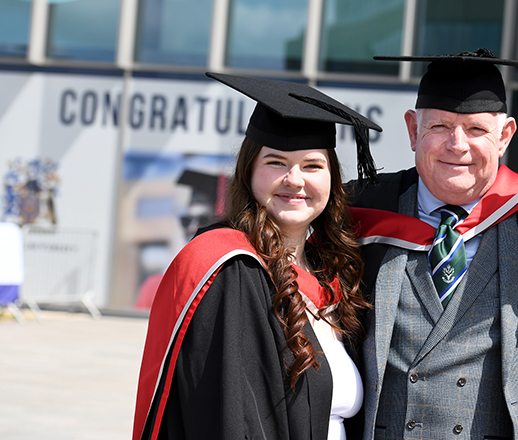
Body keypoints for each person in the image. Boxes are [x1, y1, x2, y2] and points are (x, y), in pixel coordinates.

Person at [132, 72, 382, 440]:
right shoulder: (231, 268)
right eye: (276, 163)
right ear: (248, 172)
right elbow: (228, 417)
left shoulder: (328, 274)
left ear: (332, 178)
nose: (295, 179)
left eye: (312, 165)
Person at [347, 49, 518, 440]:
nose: (457, 144)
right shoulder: (361, 211)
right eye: (439, 126)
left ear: (504, 137)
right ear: (412, 130)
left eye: (476, 129)